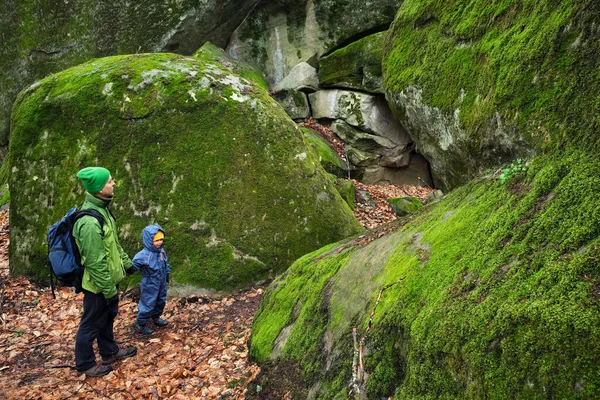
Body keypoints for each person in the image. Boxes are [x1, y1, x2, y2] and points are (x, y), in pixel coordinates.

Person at [73, 167, 137, 377]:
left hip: (108, 281)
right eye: (110, 181)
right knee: (91, 324)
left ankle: (109, 351)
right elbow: (95, 263)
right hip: (98, 285)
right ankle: (85, 364)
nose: (114, 183)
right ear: (100, 189)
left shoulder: (103, 211)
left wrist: (127, 264)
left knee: (107, 318)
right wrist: (109, 291)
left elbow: (114, 245)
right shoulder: (89, 222)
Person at [132, 224, 171, 335]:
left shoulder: (161, 252)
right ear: (149, 240)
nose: (159, 242)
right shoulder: (143, 255)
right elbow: (133, 265)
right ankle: (141, 324)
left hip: (161, 281)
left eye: (161, 240)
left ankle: (156, 317)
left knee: (160, 300)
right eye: (156, 240)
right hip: (150, 283)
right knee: (148, 302)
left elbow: (165, 263)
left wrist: (167, 272)